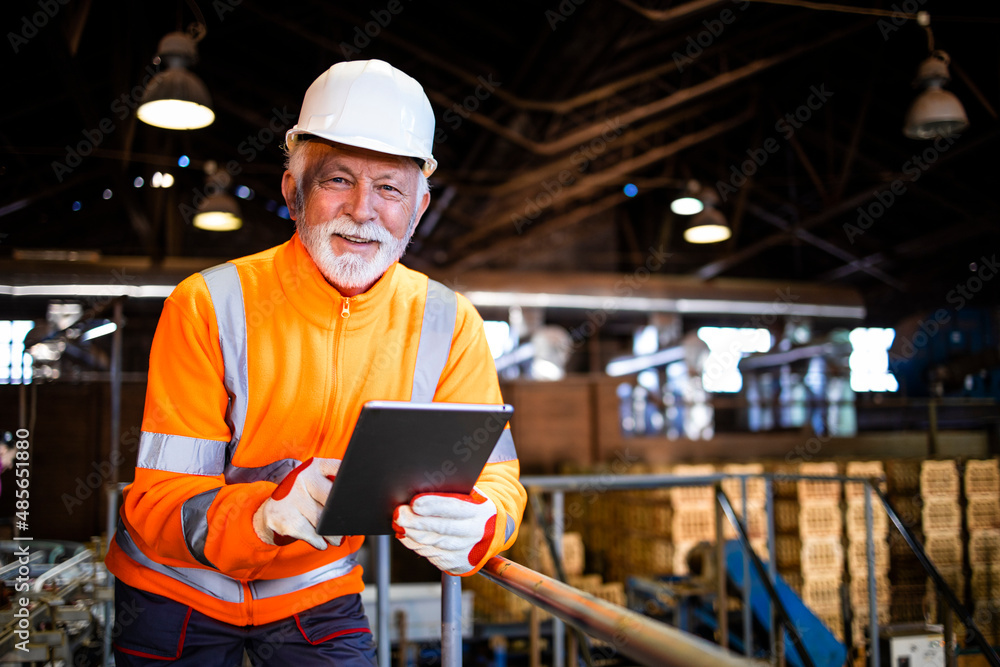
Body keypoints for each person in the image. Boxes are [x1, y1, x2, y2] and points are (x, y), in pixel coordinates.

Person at [105, 59, 526, 665]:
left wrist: (484, 523)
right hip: (176, 591)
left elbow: (496, 476)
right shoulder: (209, 304)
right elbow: (161, 499)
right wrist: (266, 515)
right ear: (291, 190)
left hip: (313, 591)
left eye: (389, 188)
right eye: (337, 180)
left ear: (420, 204)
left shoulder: (448, 322)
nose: (363, 210)